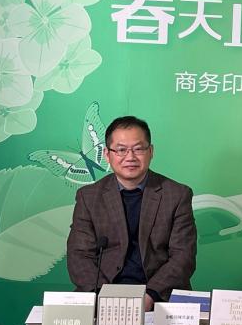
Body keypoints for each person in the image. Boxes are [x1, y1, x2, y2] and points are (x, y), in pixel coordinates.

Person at [66, 116, 197, 311]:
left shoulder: (177, 195)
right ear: (107, 155)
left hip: (160, 297)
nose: (130, 157)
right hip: (102, 296)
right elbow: (79, 255)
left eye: (138, 149)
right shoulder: (89, 197)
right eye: (121, 150)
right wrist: (104, 297)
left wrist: (151, 295)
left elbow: (183, 256)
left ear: (151, 152)